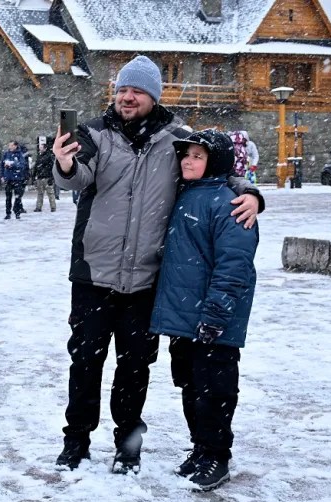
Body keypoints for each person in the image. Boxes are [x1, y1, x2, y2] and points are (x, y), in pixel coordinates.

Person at [51, 55, 262, 474]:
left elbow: (214, 169)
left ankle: (128, 443)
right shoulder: (94, 132)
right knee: (86, 362)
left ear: (153, 96)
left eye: (137, 91)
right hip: (95, 273)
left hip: (148, 280)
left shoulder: (178, 139)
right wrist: (63, 161)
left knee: (135, 368)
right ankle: (75, 441)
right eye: (122, 90)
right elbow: (75, 176)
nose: (127, 97)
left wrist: (250, 192)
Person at [149, 129, 259, 491]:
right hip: (184, 319)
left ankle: (217, 454)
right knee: (191, 386)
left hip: (213, 319)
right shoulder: (186, 194)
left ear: (216, 161)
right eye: (186, 155)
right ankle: (200, 448)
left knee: (216, 389)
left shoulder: (229, 203)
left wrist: (216, 314)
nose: (187, 161)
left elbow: (234, 265)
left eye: (198, 156)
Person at [0, 141, 29, 219]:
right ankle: (8, 213)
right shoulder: (6, 154)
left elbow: (22, 165)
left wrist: (12, 164)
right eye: (9, 145)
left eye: (12, 145)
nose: (10, 147)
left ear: (15, 146)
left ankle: (17, 212)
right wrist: (2, 176)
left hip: (17, 179)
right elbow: (1, 166)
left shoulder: (19, 154)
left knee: (17, 197)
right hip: (8, 178)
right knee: (8, 197)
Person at [33, 140, 56, 212]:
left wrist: (52, 177)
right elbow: (36, 166)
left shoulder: (49, 156)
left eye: (41, 147)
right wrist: (34, 175)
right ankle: (38, 207)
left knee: (50, 193)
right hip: (40, 177)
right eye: (40, 147)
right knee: (40, 193)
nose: (40, 148)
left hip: (47, 177)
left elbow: (52, 167)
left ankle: (53, 207)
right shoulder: (39, 156)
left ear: (45, 148)